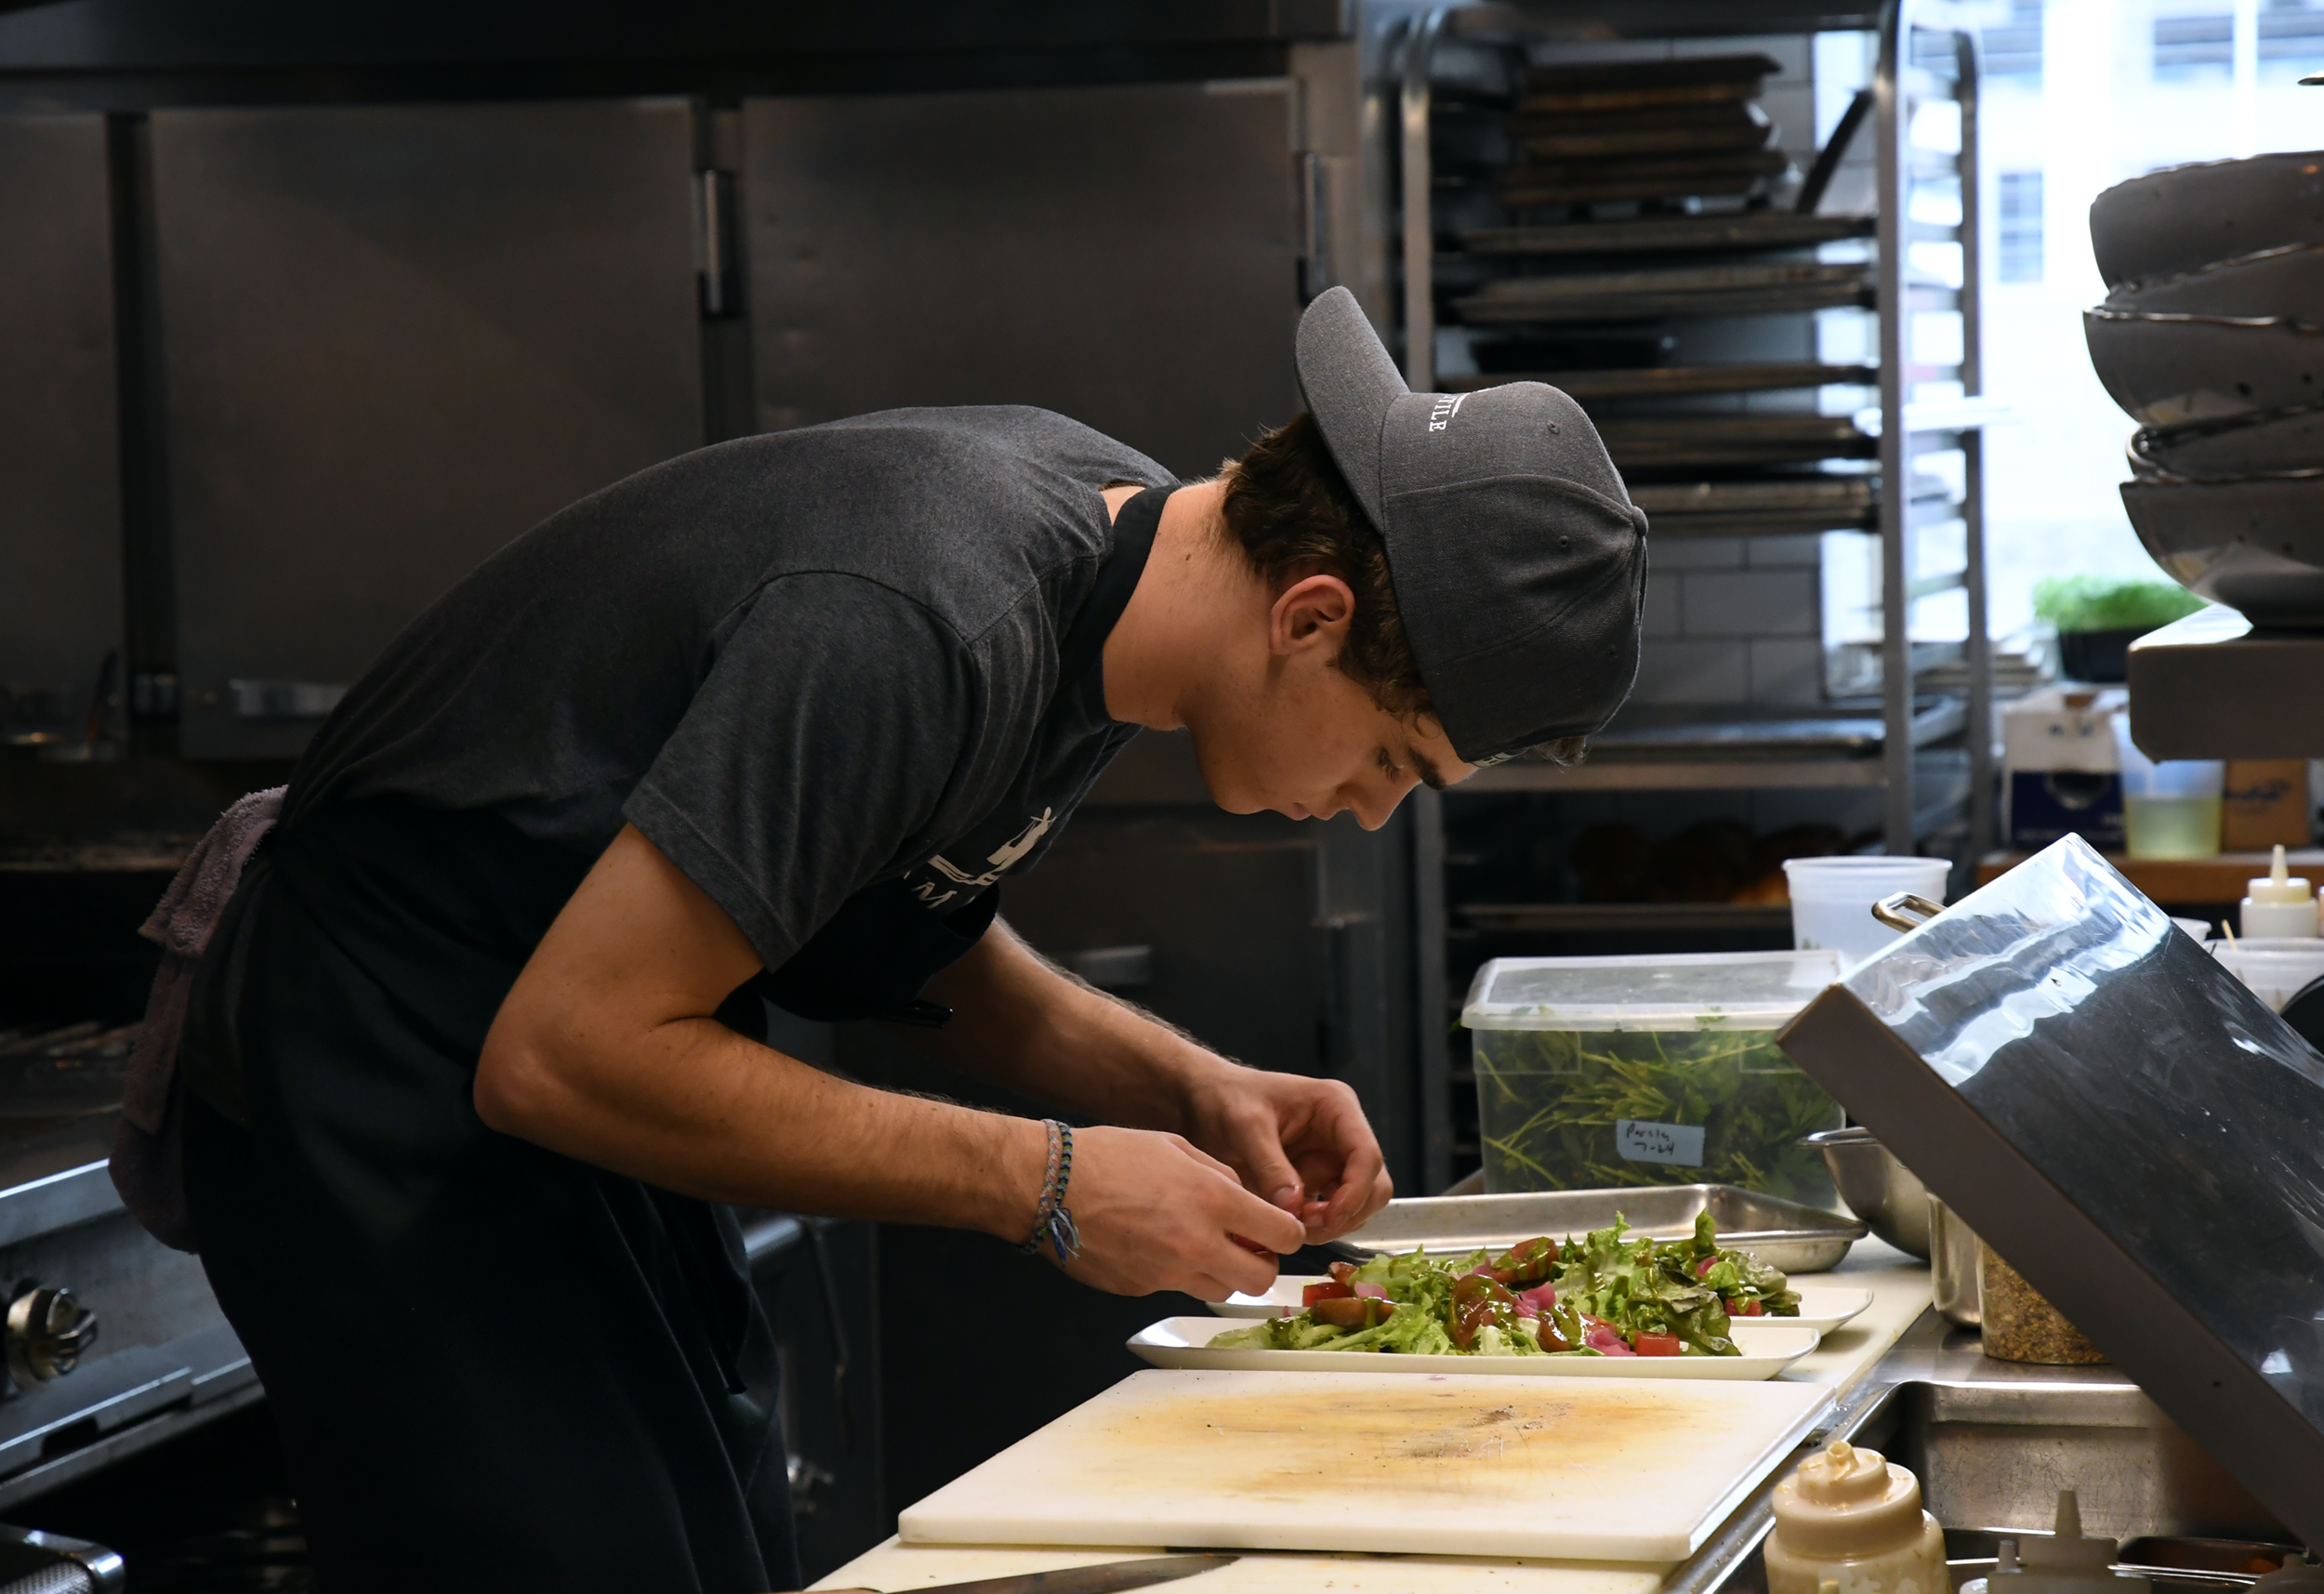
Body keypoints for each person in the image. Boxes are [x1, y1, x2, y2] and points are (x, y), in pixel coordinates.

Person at [160, 287, 1648, 1591]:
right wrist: (1050, 1181)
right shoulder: (931, 609)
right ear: (1312, 618)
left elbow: (908, 932)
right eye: (1396, 759)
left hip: (571, 1088)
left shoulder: (1114, 574)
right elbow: (564, 1053)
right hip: (381, 1081)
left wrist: (1188, 1088)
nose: (1371, 815)